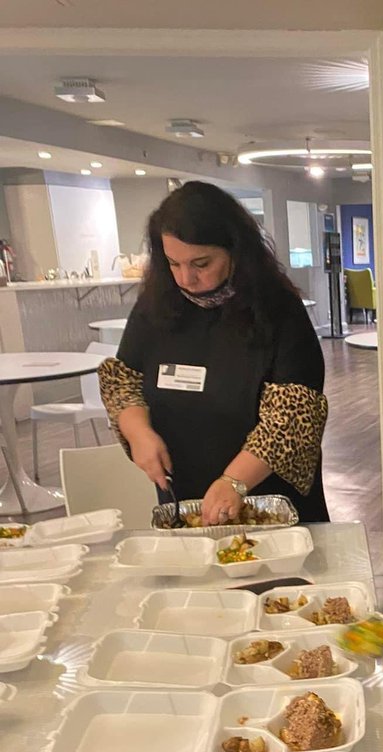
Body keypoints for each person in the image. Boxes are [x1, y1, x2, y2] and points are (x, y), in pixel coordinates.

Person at [99, 181, 329, 525]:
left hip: (266, 497)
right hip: (185, 492)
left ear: (235, 250)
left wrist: (234, 481)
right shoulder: (156, 306)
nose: (186, 278)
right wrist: (138, 433)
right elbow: (123, 382)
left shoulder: (278, 310)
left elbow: (293, 419)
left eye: (201, 263)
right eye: (173, 264)